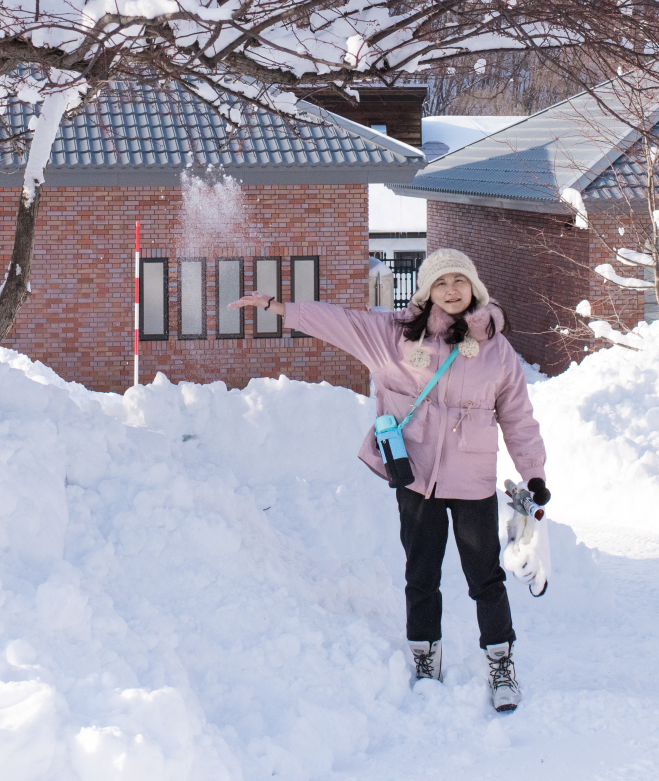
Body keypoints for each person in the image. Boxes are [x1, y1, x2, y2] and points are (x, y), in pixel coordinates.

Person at [233, 248, 550, 713]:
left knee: (485, 578)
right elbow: (339, 321)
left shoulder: (495, 349)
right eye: (442, 283)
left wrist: (534, 473)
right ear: (427, 290)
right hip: (415, 476)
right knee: (420, 575)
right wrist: (279, 308)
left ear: (474, 288)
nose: (452, 290)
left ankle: (501, 663)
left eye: (460, 281)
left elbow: (518, 418)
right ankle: (426, 657)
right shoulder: (392, 336)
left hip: (473, 480)